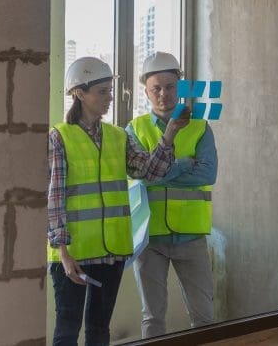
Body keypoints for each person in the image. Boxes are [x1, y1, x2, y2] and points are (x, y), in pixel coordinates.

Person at [47, 56, 190, 346]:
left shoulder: (118, 136)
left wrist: (170, 134)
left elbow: (149, 172)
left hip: (111, 253)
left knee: (100, 331)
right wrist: (63, 253)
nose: (110, 98)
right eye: (102, 92)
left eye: (110, 91)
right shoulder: (59, 138)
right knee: (66, 333)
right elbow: (55, 197)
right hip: (73, 255)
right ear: (79, 93)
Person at [127, 52, 218, 338]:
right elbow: (139, 174)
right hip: (149, 237)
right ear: (146, 91)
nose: (163, 94)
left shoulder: (201, 126)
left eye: (169, 86)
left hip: (191, 237)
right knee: (152, 318)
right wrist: (184, 164)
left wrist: (159, 171)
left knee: (203, 315)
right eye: (156, 88)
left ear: (180, 86)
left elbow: (208, 174)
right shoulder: (134, 129)